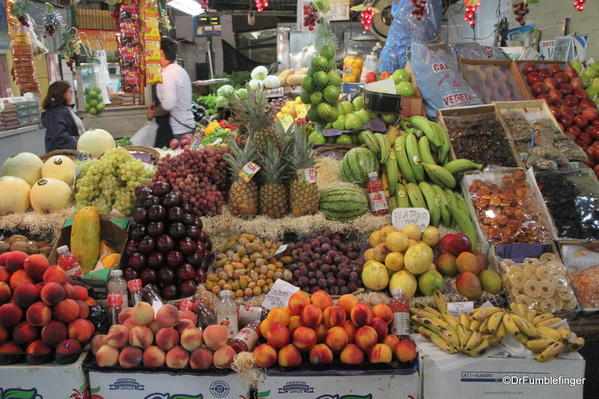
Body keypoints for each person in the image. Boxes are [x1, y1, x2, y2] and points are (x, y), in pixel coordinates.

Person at [147, 37, 195, 147]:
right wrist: (157, 104)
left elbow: (169, 105)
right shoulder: (179, 70)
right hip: (185, 126)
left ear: (161, 52)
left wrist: (152, 114)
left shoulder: (168, 73)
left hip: (175, 132)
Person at [41, 81, 85, 153]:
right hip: (65, 155)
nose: (72, 94)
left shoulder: (66, 108)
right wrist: (78, 144)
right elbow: (59, 136)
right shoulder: (54, 112)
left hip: (74, 152)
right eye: (69, 92)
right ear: (60, 93)